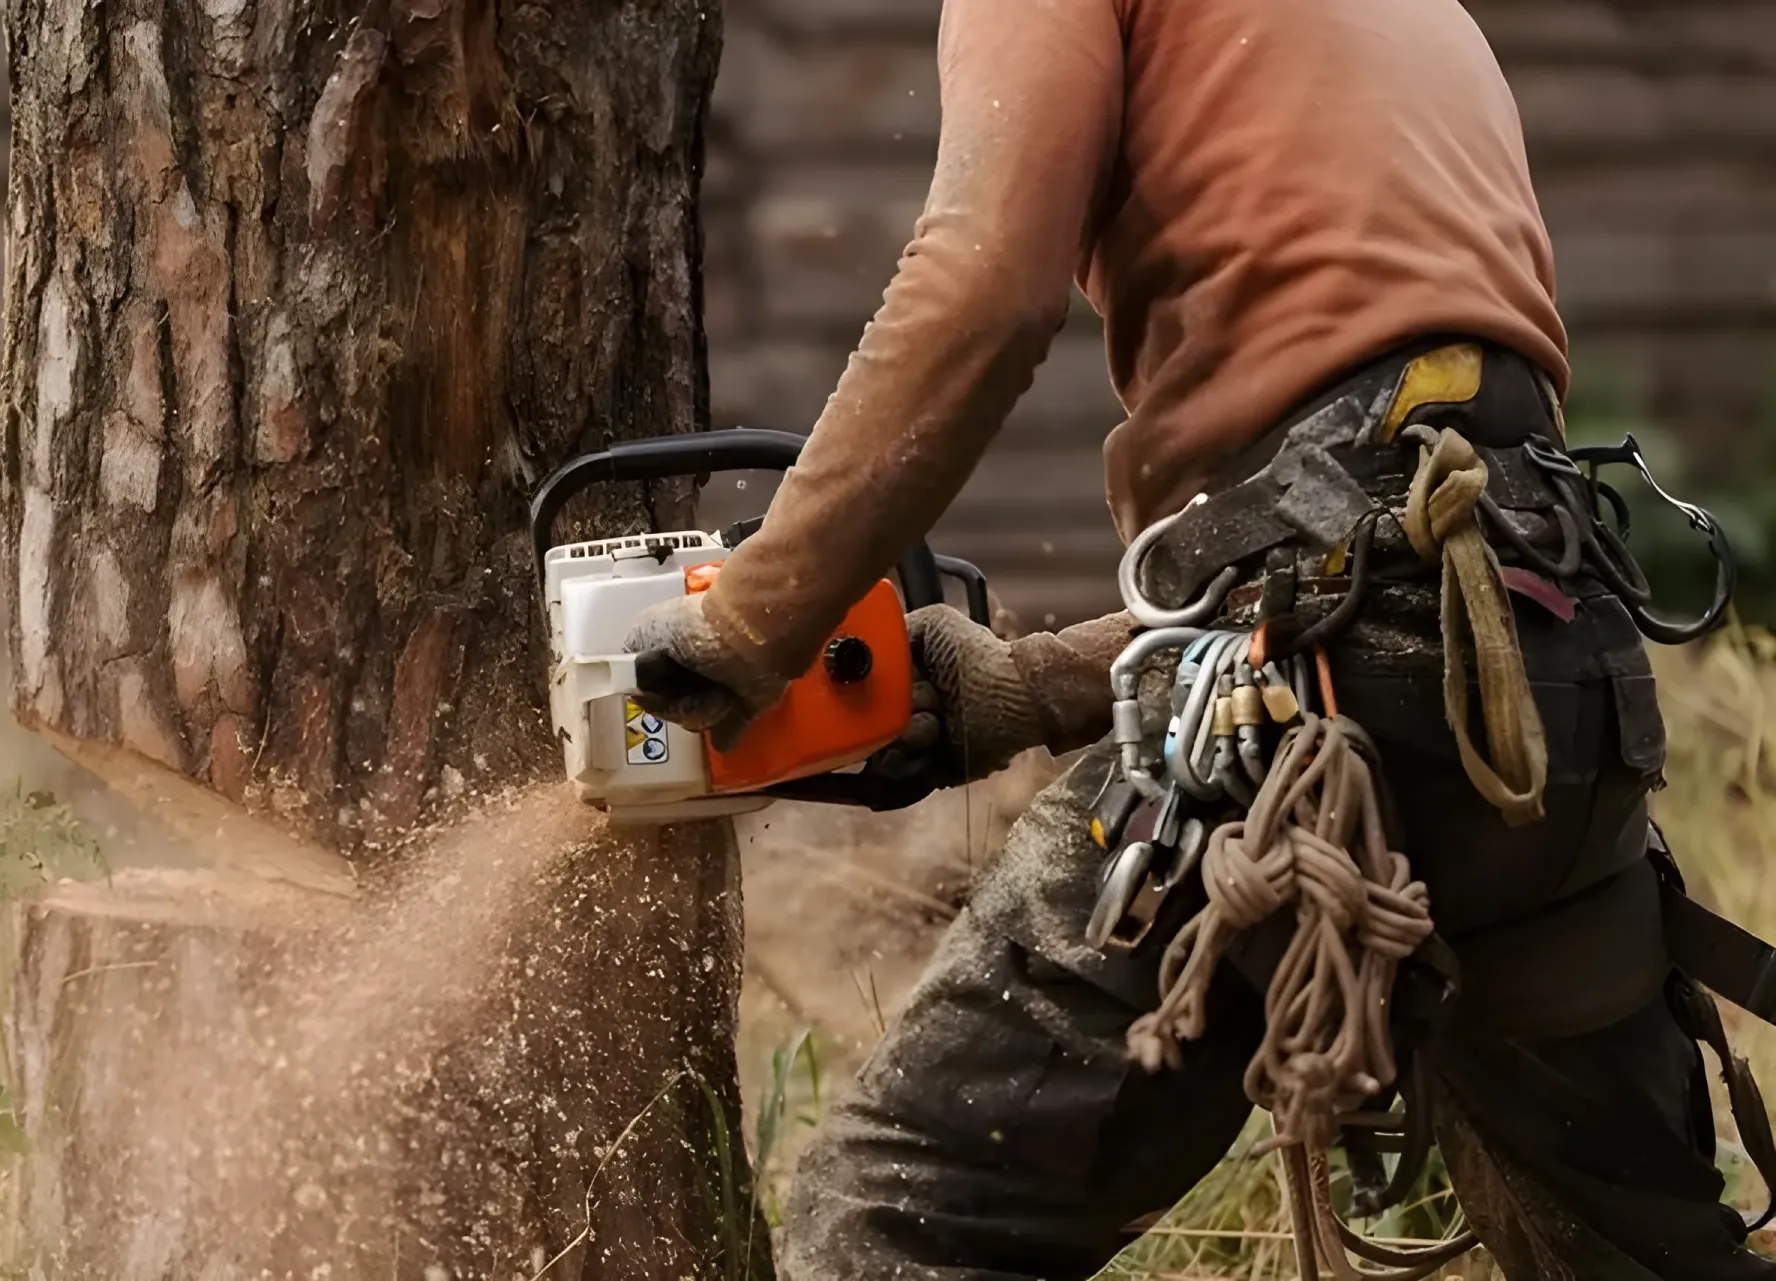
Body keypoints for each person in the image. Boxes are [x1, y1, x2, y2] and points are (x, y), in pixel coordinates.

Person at [624, 0, 1776, 1276]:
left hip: (1338, 676)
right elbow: (1394, 504)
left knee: (897, 1209)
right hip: (1548, 660)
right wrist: (1030, 686)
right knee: (1633, 1259)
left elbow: (984, 286)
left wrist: (752, 620)